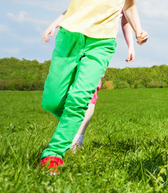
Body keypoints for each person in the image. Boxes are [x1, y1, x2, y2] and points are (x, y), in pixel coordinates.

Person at [38, 0, 148, 173]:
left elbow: (129, 7)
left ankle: (54, 153)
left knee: (80, 98)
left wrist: (139, 30)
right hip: (71, 36)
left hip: (102, 43)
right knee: (52, 101)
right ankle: (70, 122)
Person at [42, 8, 146, 150]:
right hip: (75, 40)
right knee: (56, 97)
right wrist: (55, 23)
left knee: (88, 93)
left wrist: (131, 45)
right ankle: (70, 123)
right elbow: (76, 5)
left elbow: (126, 18)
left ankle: (77, 140)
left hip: (100, 46)